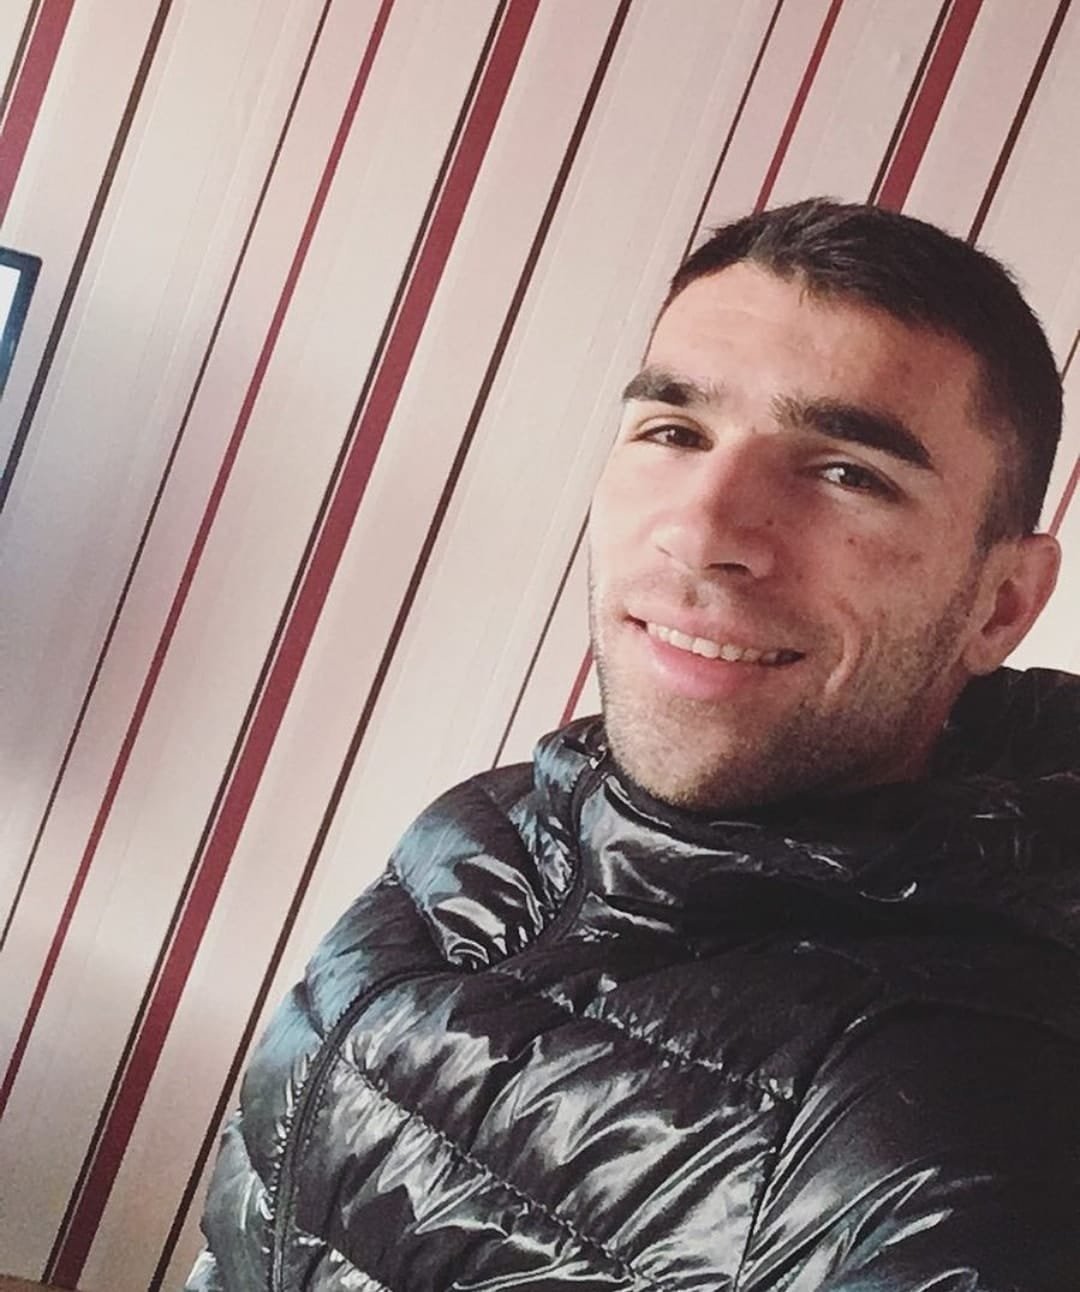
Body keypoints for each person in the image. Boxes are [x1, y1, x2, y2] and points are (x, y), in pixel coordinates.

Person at [188, 199, 1080, 1291]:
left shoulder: (963, 1128)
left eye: (848, 471)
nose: (703, 531)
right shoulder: (489, 826)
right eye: (674, 432)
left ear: (1001, 603)